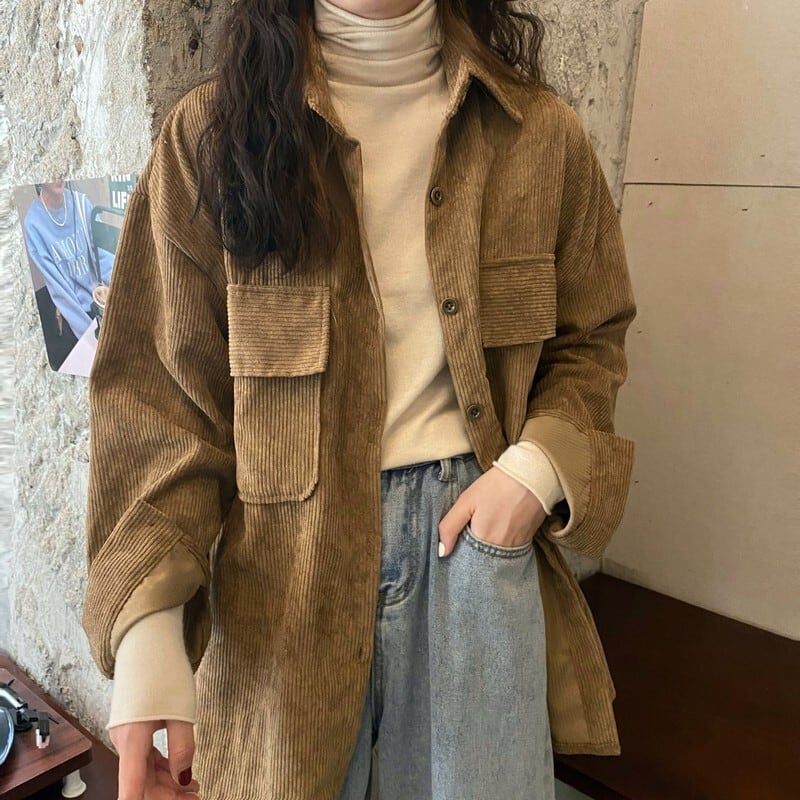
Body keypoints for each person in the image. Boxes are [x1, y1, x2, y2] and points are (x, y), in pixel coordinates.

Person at [81, 1, 637, 798]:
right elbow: (159, 399)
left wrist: (533, 474)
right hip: (283, 579)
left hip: (473, 552)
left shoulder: (538, 136)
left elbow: (592, 336)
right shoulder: (210, 139)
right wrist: (147, 627)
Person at [22, 180, 114, 341]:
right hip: (76, 314)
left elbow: (104, 256)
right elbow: (59, 289)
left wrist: (121, 295)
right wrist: (90, 337)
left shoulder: (81, 203)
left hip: (102, 302)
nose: (57, 175)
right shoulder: (34, 224)